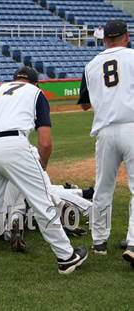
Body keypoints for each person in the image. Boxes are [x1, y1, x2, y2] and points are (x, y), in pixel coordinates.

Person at [0, 66, 88, 283]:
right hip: (12, 145)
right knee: (41, 201)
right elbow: (45, 142)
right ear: (35, 82)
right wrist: (43, 167)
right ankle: (66, 256)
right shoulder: (35, 93)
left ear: (13, 80)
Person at [78, 20, 134, 269]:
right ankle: (133, 244)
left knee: (102, 188)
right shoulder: (132, 56)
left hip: (104, 131)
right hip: (132, 125)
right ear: (126, 36)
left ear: (103, 39)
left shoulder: (91, 65)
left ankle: (99, 242)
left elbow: (85, 104)